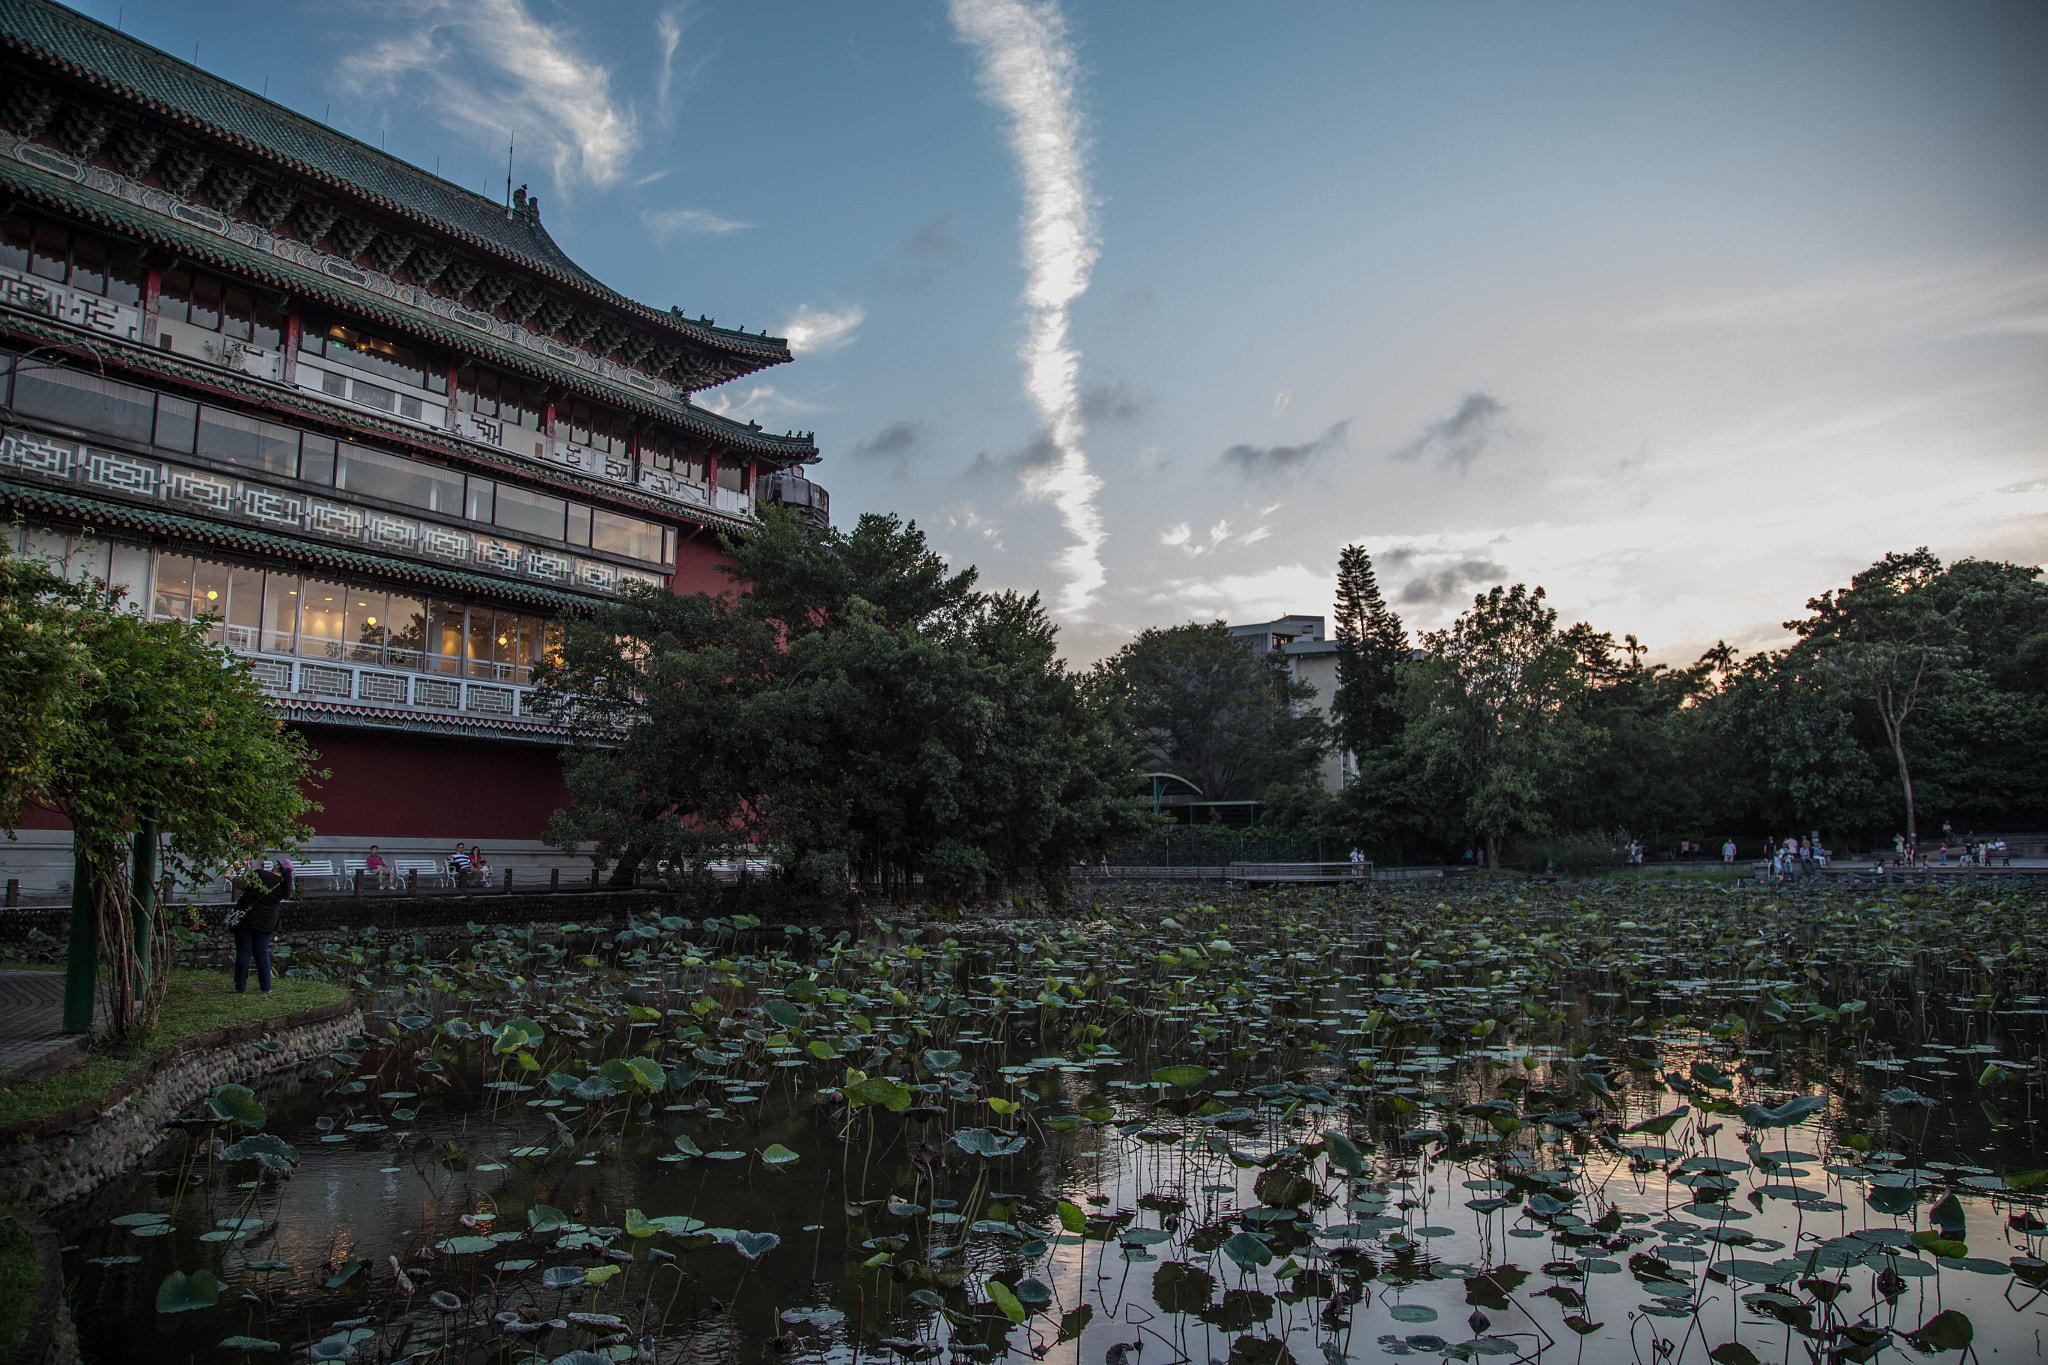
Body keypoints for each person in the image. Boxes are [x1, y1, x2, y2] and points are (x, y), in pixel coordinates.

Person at [229, 857, 290, 993]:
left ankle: (240, 988)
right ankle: (266, 988)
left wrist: (246, 870)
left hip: (247, 919)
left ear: (276, 867)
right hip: (267, 922)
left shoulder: (260, 874)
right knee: (261, 953)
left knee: (244, 952)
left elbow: (240, 885)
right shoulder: (283, 886)